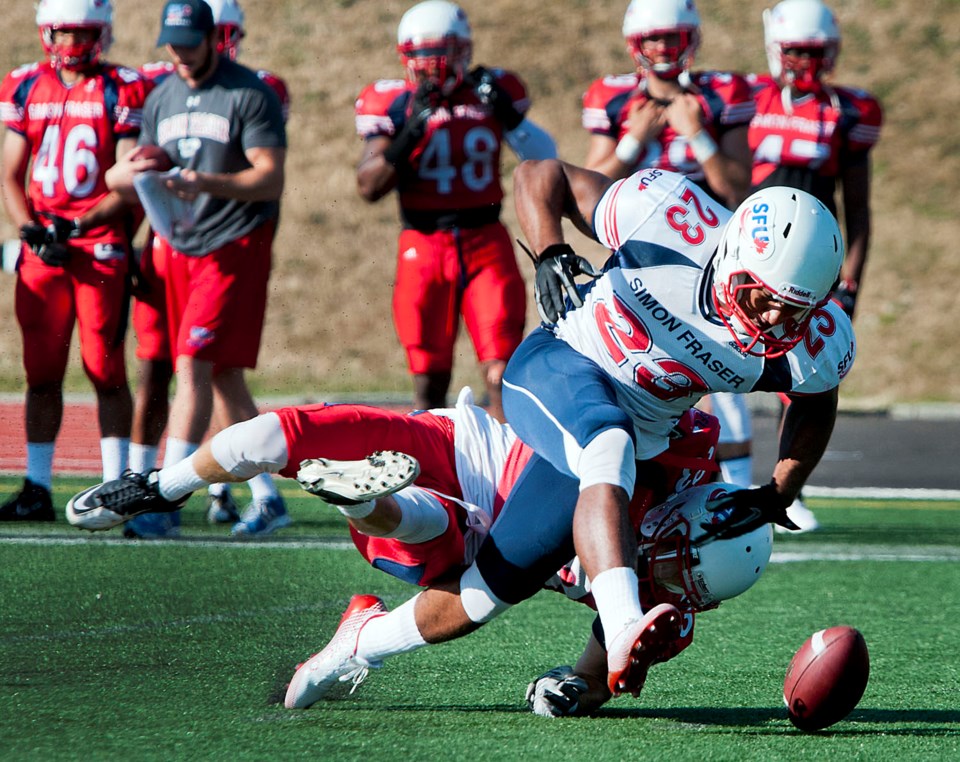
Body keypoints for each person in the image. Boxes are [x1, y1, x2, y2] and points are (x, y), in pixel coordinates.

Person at [102, 0, 288, 538]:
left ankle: (166, 499)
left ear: (213, 38)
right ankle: (267, 494)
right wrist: (130, 172)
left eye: (189, 43)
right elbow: (128, 172)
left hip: (233, 243)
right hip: (181, 244)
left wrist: (204, 183)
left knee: (193, 364)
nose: (179, 54)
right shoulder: (162, 96)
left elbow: (270, 178)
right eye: (172, 43)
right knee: (224, 374)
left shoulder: (249, 93)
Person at [581, 0, 756, 497]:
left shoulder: (721, 96)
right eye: (653, 38)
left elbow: (737, 191)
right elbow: (591, 186)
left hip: (705, 257)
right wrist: (634, 140)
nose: (662, 48)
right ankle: (644, 482)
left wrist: (697, 134)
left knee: (718, 367)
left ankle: (738, 492)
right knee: (631, 365)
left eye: (671, 37)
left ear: (692, 39)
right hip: (634, 253)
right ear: (635, 44)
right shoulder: (615, 100)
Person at [354, 0, 557, 420]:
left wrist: (505, 114)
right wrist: (410, 131)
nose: (433, 67)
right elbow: (368, 186)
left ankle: (507, 474)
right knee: (429, 378)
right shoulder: (393, 103)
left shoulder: (494, 91)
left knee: (502, 371)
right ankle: (435, 478)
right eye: (422, 56)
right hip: (423, 245)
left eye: (441, 54)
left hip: (486, 240)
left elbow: (545, 157)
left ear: (464, 51)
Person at [0, 0, 149, 521]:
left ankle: (114, 486)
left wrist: (77, 224)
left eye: (80, 33)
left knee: (104, 366)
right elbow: (10, 173)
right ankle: (37, 486)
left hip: (98, 240)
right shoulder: (24, 84)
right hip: (45, 244)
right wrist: (30, 228)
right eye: (61, 33)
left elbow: (128, 177)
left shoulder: (122, 86)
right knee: (40, 370)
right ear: (46, 33)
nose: (69, 44)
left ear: (101, 33)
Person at [747, 0, 882, 532]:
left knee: (806, 376)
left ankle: (784, 487)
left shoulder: (847, 112)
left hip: (809, 262)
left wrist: (850, 283)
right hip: (748, 255)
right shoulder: (746, 100)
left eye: (812, 50)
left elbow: (859, 211)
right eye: (795, 49)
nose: (803, 60)